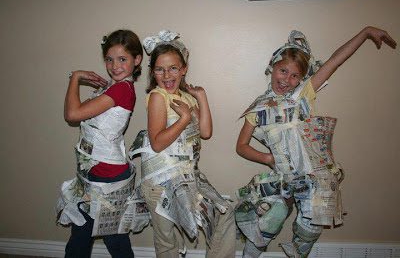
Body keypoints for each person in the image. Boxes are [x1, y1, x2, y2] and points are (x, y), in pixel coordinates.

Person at [235, 27, 396, 258]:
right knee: (270, 219)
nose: (287, 80)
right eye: (282, 71)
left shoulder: (303, 95)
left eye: (295, 76)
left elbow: (335, 61)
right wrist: (267, 158)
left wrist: (365, 33)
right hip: (282, 175)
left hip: (312, 175)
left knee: (310, 227)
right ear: (272, 68)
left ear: (302, 79)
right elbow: (241, 146)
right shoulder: (259, 108)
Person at [129, 30, 236, 258]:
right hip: (160, 182)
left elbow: (206, 132)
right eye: (160, 69)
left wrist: (202, 97)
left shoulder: (186, 98)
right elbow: (157, 143)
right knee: (167, 241)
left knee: (224, 214)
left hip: (186, 177)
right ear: (153, 72)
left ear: (184, 69)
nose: (167, 75)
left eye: (173, 68)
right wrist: (185, 119)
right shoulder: (159, 96)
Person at [56, 29, 149, 258]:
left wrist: (76, 77)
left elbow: (72, 114)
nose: (115, 65)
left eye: (122, 59)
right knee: (82, 233)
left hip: (107, 175)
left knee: (114, 239)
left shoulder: (121, 89)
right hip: (95, 172)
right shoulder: (113, 86)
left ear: (137, 60)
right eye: (109, 59)